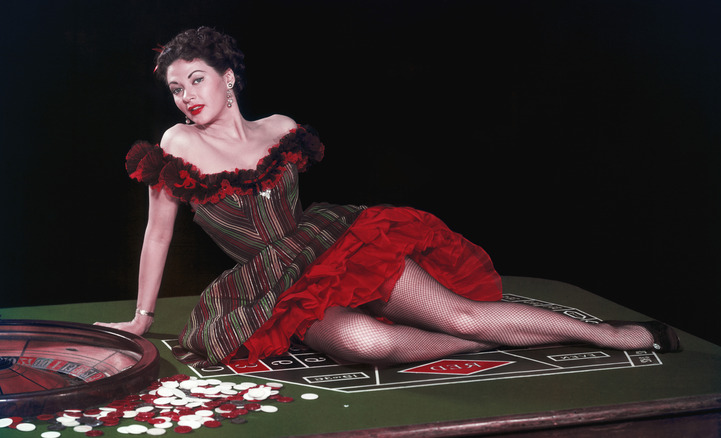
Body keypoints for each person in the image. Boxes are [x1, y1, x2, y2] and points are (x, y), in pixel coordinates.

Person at [96, 27, 680, 367]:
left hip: (332, 245)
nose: (186, 96)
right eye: (175, 88)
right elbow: (158, 233)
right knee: (365, 342)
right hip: (268, 280)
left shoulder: (281, 129)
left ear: (228, 76)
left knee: (461, 310)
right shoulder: (173, 147)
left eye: (196, 79)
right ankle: (483, 341)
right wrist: (143, 318)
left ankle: (616, 335)